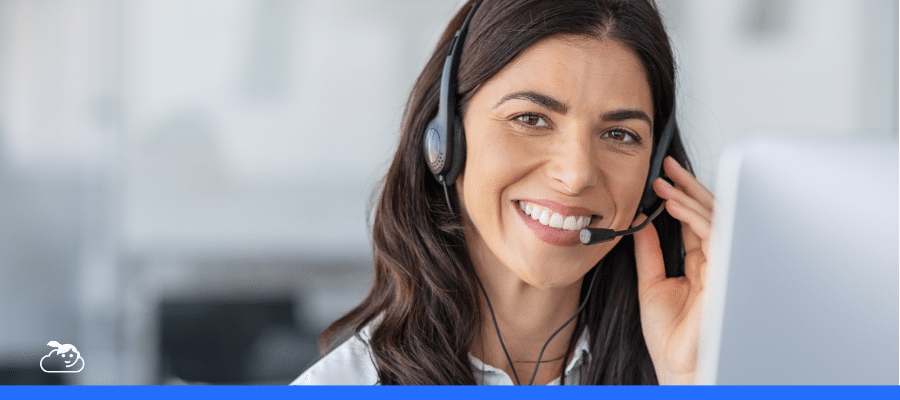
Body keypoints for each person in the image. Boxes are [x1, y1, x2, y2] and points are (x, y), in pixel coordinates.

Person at [293, 0, 714, 385]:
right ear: (446, 140)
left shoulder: (693, 371)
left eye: (620, 134)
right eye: (530, 118)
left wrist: (689, 379)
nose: (576, 174)